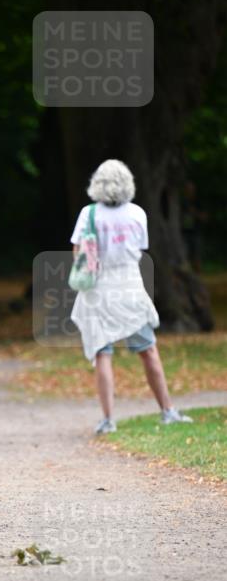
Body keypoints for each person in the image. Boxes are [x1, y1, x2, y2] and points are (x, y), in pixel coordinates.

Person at [70, 159, 193, 434]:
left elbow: (78, 253)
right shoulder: (138, 213)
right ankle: (167, 410)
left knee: (103, 353)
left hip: (98, 289)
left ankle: (108, 419)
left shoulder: (88, 214)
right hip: (129, 287)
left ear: (97, 183)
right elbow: (140, 247)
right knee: (149, 350)